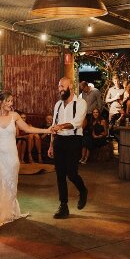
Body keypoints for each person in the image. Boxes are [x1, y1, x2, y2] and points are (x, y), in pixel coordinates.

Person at [0, 91, 54, 236]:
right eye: (8, 101)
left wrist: (47, 130)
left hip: (11, 157)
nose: (11, 104)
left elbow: (28, 129)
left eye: (12, 101)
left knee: (10, 187)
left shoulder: (15, 116)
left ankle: (7, 212)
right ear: (0, 102)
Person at [48, 77, 88, 219]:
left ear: (70, 86)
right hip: (59, 140)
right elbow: (54, 124)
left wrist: (61, 126)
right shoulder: (58, 104)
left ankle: (83, 191)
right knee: (60, 175)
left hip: (73, 140)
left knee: (71, 173)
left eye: (62, 86)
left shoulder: (81, 103)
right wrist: (51, 145)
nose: (60, 89)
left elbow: (77, 122)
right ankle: (63, 206)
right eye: (59, 87)